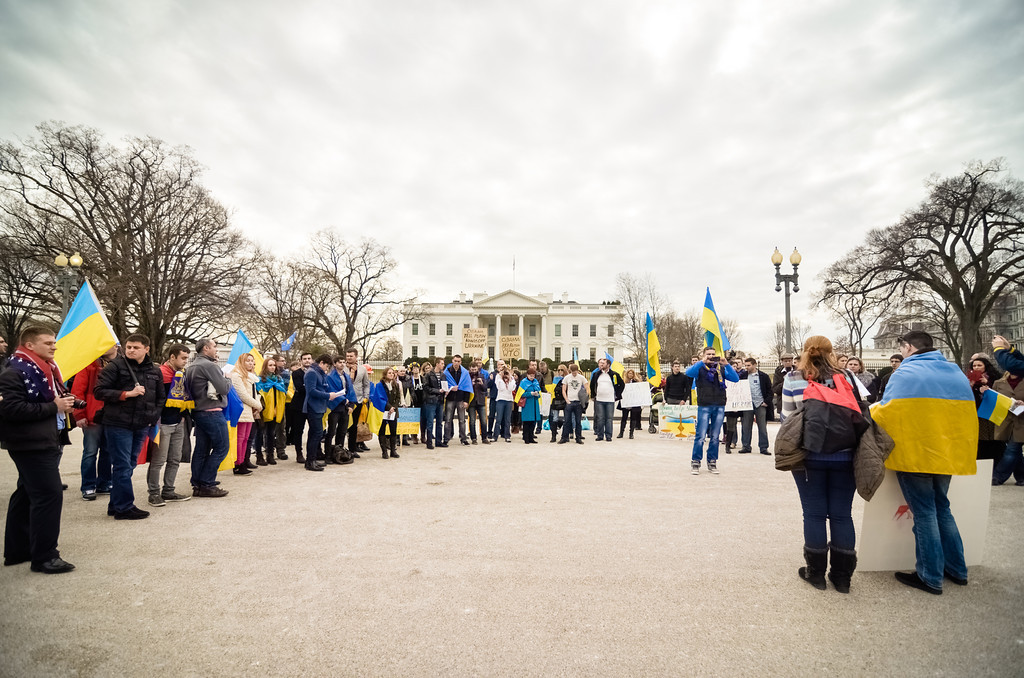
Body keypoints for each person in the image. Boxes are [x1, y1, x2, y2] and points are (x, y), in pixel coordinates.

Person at [873, 331, 976, 595]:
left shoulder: (905, 374)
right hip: (946, 453)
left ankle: (930, 576)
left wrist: (869, 409)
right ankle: (957, 569)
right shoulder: (955, 373)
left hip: (916, 454)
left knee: (925, 513)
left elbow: (888, 412)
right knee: (943, 508)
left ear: (907, 347)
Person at [781, 336, 866, 593]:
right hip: (845, 453)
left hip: (810, 456)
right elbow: (860, 409)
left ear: (805, 352)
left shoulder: (794, 378)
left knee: (814, 513)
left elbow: (787, 418)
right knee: (842, 514)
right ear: (832, 353)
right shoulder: (847, 376)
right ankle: (842, 578)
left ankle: (815, 573)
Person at [0, 327, 76, 573]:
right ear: (30, 345)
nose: (54, 346)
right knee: (49, 496)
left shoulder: (45, 369)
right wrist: (54, 407)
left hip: (44, 439)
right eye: (49, 343)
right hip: (29, 443)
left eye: (54, 342)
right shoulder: (15, 372)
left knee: (25, 494)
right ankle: (44, 557)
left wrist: (62, 404)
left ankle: (17, 550)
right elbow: (12, 410)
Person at [94, 334, 165, 520]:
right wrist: (127, 394)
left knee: (130, 464)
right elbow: (99, 391)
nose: (131, 350)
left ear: (146, 349)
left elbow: (160, 397)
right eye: (128, 347)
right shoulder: (115, 366)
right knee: (122, 465)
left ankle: (115, 505)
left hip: (142, 424)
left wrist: (153, 416)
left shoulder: (154, 370)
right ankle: (124, 507)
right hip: (118, 424)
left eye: (136, 347)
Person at [185, 338, 232, 498]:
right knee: (222, 447)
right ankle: (207, 483)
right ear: (206, 348)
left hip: (199, 411)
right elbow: (224, 388)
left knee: (201, 449)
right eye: (214, 347)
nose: (216, 350)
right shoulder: (209, 366)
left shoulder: (192, 366)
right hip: (211, 411)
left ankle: (198, 484)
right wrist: (227, 377)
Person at [71, 344, 117, 501]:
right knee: (90, 452)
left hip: (112, 416)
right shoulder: (89, 365)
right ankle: (88, 485)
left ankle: (104, 482)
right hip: (92, 415)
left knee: (108, 451)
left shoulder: (121, 365)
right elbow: (78, 390)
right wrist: (79, 414)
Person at [148, 344, 192, 506]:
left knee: (174, 459)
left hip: (178, 422)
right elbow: (155, 399)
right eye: (183, 358)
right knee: (158, 460)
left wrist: (182, 416)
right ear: (172, 357)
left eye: (187, 358)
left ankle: (168, 490)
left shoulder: (181, 374)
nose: (186, 361)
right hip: (163, 423)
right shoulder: (159, 373)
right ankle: (153, 493)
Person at [685, 348, 739, 474]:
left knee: (715, 436)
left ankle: (712, 461)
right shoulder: (700, 368)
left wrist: (727, 364)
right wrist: (701, 362)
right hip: (704, 405)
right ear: (703, 355)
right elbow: (688, 373)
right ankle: (696, 461)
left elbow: (735, 379)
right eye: (708, 354)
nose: (711, 356)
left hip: (719, 404)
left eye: (713, 354)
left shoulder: (721, 368)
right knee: (700, 436)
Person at [303, 354, 343, 472]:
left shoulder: (320, 373)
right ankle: (310, 461)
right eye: (327, 366)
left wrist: (332, 394)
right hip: (313, 407)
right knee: (316, 434)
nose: (327, 369)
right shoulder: (312, 373)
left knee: (315, 434)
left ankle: (312, 459)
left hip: (319, 407)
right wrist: (328, 395)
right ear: (321, 363)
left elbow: (323, 387)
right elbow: (311, 391)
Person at [967, 355, 1006, 462]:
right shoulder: (969, 380)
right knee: (981, 440)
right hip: (978, 413)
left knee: (995, 440)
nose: (976, 368)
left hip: (992, 413)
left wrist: (988, 384)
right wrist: (971, 386)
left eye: (979, 365)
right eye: (974, 365)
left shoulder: (994, 377)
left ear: (985, 366)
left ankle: (997, 462)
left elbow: (1001, 395)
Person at [229, 354, 262, 475]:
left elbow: (254, 394)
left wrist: (257, 404)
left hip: (249, 411)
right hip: (241, 411)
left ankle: (243, 461)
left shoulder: (250, 377)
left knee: (246, 439)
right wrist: (257, 405)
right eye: (247, 361)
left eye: (252, 361)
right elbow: (242, 395)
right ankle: (238, 464)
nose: (250, 363)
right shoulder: (236, 375)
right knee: (240, 439)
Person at [992, 365, 1024, 486]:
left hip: (1021, 421)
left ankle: (998, 476)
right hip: (1006, 422)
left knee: (1011, 449)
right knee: (1016, 452)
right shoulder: (999, 383)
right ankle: (1021, 476)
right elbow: (994, 400)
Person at [738, 357, 774, 455]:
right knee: (746, 426)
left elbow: (770, 390)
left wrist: (766, 401)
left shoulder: (764, 376)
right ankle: (746, 446)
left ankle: (763, 447)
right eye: (745, 365)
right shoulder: (743, 375)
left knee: (762, 427)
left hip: (760, 404)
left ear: (754, 365)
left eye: (748, 365)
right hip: (747, 404)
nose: (746, 367)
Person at [255, 357, 287, 465]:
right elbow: (259, 394)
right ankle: (259, 456)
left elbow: (283, 393)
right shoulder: (260, 379)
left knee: (271, 433)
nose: (272, 367)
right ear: (265, 366)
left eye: (274, 365)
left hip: (274, 409)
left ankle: (270, 455)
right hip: (263, 409)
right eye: (270, 365)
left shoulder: (278, 379)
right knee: (260, 433)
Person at [323, 355, 354, 464]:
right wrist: (342, 399)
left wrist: (351, 404)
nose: (342, 364)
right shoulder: (330, 376)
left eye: (343, 362)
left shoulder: (346, 376)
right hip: (335, 406)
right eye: (339, 362)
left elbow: (350, 390)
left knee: (342, 431)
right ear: (335, 364)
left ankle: (339, 453)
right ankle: (327, 455)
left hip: (345, 407)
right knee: (331, 431)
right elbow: (331, 389)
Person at [345, 348, 372, 454]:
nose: (349, 358)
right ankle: (340, 448)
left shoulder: (362, 369)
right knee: (344, 425)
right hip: (346, 401)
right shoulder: (342, 368)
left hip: (359, 400)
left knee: (354, 426)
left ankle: (352, 449)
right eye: (347, 356)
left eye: (351, 356)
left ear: (356, 356)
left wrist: (366, 396)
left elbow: (366, 384)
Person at [590, 358, 624, 442]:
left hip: (610, 400)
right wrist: (593, 395)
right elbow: (592, 385)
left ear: (608, 365)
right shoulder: (596, 374)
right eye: (601, 363)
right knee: (600, 418)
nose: (601, 365)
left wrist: (617, 395)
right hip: (599, 400)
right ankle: (600, 435)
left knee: (609, 419)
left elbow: (622, 384)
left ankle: (608, 435)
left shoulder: (614, 374)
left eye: (603, 363)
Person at [288, 352, 313, 462]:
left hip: (312, 405)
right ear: (301, 360)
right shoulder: (296, 373)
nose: (307, 360)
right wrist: (312, 388)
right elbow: (300, 388)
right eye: (304, 359)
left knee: (314, 430)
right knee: (298, 430)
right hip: (298, 405)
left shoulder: (314, 372)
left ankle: (313, 452)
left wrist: (310, 387)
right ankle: (299, 453)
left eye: (309, 358)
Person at [443, 355, 472, 445]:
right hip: (450, 399)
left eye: (458, 361)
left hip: (460, 399)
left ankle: (463, 438)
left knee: (462, 420)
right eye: (455, 361)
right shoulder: (446, 372)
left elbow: (467, 387)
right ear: (452, 361)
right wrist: (451, 388)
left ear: (461, 362)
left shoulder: (465, 373)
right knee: (448, 420)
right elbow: (444, 385)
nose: (456, 363)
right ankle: (446, 438)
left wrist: (466, 401)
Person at [374, 367, 402, 459]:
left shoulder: (396, 385)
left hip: (393, 411)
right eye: (389, 373)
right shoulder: (379, 385)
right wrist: (389, 407)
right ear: (385, 374)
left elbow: (398, 397)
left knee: (393, 430)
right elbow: (379, 398)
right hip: (383, 410)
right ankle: (384, 451)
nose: (391, 374)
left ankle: (393, 451)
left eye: (392, 373)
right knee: (382, 431)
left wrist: (393, 407)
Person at [559, 363, 588, 445]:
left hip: (578, 402)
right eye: (573, 372)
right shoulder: (567, 378)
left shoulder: (582, 378)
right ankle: (564, 437)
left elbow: (587, 388)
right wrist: (566, 399)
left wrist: (584, 399)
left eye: (575, 372)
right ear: (570, 371)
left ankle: (578, 437)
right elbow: (563, 390)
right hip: (570, 401)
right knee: (567, 421)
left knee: (578, 421)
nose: (574, 374)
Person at [421, 361, 445, 448]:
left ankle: (438, 441)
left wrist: (445, 391)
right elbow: (426, 387)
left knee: (439, 422)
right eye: (442, 363)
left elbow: (444, 385)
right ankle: (429, 442)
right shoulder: (428, 375)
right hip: (431, 401)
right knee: (430, 422)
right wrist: (437, 391)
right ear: (437, 364)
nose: (443, 365)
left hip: (440, 400)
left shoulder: (443, 375)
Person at [491, 363, 516, 443]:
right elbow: (500, 387)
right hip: (500, 400)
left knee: (507, 419)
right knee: (498, 419)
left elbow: (511, 389)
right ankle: (495, 436)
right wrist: (501, 377)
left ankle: (507, 436)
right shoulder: (498, 377)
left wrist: (510, 378)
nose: (505, 372)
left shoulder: (511, 378)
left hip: (509, 400)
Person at [518, 364, 542, 444]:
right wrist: (530, 394)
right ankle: (526, 437)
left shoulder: (535, 381)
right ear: (527, 375)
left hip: (535, 403)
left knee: (533, 422)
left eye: (533, 375)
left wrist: (537, 394)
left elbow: (539, 391)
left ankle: (531, 437)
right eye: (530, 375)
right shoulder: (523, 382)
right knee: (527, 422)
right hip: (527, 404)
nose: (532, 377)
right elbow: (521, 394)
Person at [467, 361, 490, 445]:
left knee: (483, 420)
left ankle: (484, 437)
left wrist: (481, 383)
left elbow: (485, 389)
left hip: (480, 400)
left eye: (475, 369)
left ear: (478, 368)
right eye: (472, 369)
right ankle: (473, 438)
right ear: (470, 368)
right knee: (472, 421)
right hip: (471, 401)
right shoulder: (467, 376)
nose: (473, 371)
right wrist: (471, 384)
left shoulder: (482, 376)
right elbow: (465, 388)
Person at [617, 369, 642, 439]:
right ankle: (621, 432)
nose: (630, 375)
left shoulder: (636, 382)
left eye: (631, 373)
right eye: (629, 373)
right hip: (626, 402)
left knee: (633, 418)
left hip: (634, 402)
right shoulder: (624, 382)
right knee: (624, 417)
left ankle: (631, 433)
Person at [548, 364, 567, 442]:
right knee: (555, 418)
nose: (559, 371)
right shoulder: (555, 379)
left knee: (566, 418)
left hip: (565, 400)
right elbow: (553, 389)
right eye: (558, 370)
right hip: (556, 400)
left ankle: (565, 436)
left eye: (561, 370)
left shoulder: (567, 378)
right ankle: (553, 436)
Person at [487, 359, 506, 438]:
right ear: (496, 365)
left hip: (503, 397)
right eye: (499, 364)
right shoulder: (493, 374)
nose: (500, 366)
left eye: (502, 364)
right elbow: (488, 385)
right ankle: (490, 432)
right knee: (491, 415)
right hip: (494, 397)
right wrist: (491, 380)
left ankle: (502, 432)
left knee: (502, 416)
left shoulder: (506, 374)